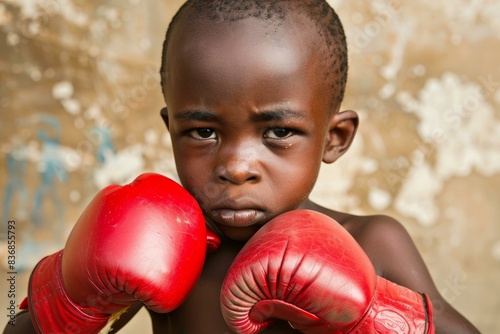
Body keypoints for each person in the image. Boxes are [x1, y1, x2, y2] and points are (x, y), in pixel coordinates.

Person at [4, 1, 480, 333]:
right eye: (204, 132)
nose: (235, 167)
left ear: (335, 139)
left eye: (277, 133)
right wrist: (73, 297)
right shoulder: (159, 241)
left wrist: (375, 313)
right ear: (172, 130)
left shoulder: (372, 240)